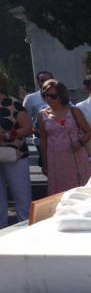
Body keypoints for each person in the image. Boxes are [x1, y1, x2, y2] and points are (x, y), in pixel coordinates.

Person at [37, 79, 91, 195]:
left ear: (61, 95)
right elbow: (43, 140)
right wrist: (44, 162)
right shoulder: (42, 115)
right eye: (46, 95)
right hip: (55, 160)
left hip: (75, 157)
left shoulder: (74, 111)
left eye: (53, 96)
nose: (49, 99)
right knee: (60, 192)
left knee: (80, 190)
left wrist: (80, 143)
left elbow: (88, 132)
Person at [0, 72, 33, 227]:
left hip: (15, 155)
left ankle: (25, 229)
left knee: (21, 197)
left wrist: (8, 134)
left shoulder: (13, 103)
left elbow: (28, 128)